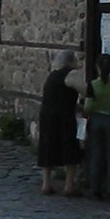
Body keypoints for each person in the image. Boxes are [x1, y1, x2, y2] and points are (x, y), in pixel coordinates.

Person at [36, 48, 82, 196]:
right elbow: (87, 91)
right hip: (63, 116)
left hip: (47, 115)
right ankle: (69, 186)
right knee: (69, 147)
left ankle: (46, 184)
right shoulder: (70, 74)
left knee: (48, 147)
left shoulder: (52, 75)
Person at [81, 52, 110, 200]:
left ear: (97, 67)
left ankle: (95, 187)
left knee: (97, 155)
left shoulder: (93, 85)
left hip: (97, 119)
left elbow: (88, 107)